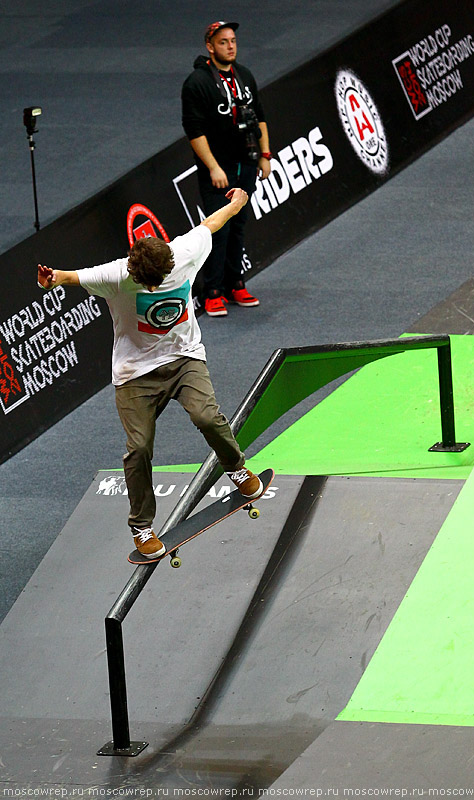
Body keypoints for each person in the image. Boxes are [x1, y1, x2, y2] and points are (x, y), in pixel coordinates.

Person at [37, 187, 263, 559]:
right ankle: (142, 528)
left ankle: (236, 469)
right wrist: (51, 279)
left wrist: (237, 203)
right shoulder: (114, 274)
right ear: (132, 271)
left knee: (207, 416)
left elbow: (212, 222)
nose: (155, 288)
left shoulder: (185, 251)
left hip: (184, 357)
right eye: (148, 285)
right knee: (138, 448)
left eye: (160, 281)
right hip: (135, 373)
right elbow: (69, 277)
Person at [181, 20, 271, 317]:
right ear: (210, 46)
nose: (230, 46)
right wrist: (213, 167)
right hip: (218, 170)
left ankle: (236, 283)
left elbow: (259, 117)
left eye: (232, 41)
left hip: (245, 163)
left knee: (239, 225)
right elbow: (194, 131)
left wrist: (264, 155)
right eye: (223, 42)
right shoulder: (198, 82)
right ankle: (213, 291)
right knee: (219, 230)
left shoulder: (244, 75)